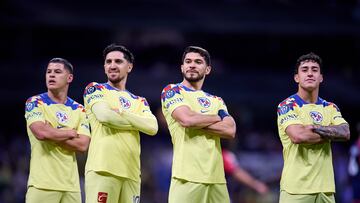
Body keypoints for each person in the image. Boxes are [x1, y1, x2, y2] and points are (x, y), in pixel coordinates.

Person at [83, 43, 158, 203]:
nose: (112, 65)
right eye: (108, 62)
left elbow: (152, 127)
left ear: (129, 67)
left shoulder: (139, 100)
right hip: (103, 169)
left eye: (118, 61)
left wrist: (122, 113)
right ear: (104, 67)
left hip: (131, 173)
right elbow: (105, 117)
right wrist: (137, 122)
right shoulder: (95, 89)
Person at [161, 46, 236, 203]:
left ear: (207, 69)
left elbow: (230, 130)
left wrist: (197, 120)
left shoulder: (217, 100)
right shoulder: (172, 91)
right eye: (188, 61)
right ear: (182, 67)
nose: (192, 65)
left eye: (198, 62)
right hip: (187, 177)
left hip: (217, 179)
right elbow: (186, 120)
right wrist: (217, 117)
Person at [277, 52, 350, 203]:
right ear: (297, 77)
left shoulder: (330, 107)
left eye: (314, 70)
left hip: (325, 189)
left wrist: (312, 128)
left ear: (321, 77)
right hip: (296, 189)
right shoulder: (288, 105)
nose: (310, 73)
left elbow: (345, 132)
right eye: (304, 70)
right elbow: (298, 136)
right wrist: (330, 131)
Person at [24, 58, 91, 203]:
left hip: (71, 188)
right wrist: (69, 132)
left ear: (69, 78)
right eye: (49, 72)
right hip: (42, 186)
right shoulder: (35, 102)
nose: (51, 75)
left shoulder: (79, 109)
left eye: (57, 72)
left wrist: (52, 133)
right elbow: (41, 133)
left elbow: (82, 145)